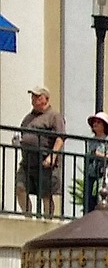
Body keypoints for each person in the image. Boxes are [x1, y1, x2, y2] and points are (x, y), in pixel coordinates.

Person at [14, 87, 65, 216]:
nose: (34, 99)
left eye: (38, 96)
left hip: (44, 162)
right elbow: (23, 135)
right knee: (20, 188)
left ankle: (47, 219)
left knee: (45, 194)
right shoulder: (28, 118)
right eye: (33, 97)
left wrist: (52, 156)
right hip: (27, 162)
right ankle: (28, 216)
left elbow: (61, 137)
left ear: (46, 99)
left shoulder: (54, 116)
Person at [82, 112, 108, 212]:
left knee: (106, 203)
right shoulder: (92, 140)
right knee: (90, 203)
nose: (95, 124)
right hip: (92, 175)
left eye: (98, 122)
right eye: (94, 122)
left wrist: (101, 156)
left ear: (104, 125)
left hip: (105, 176)